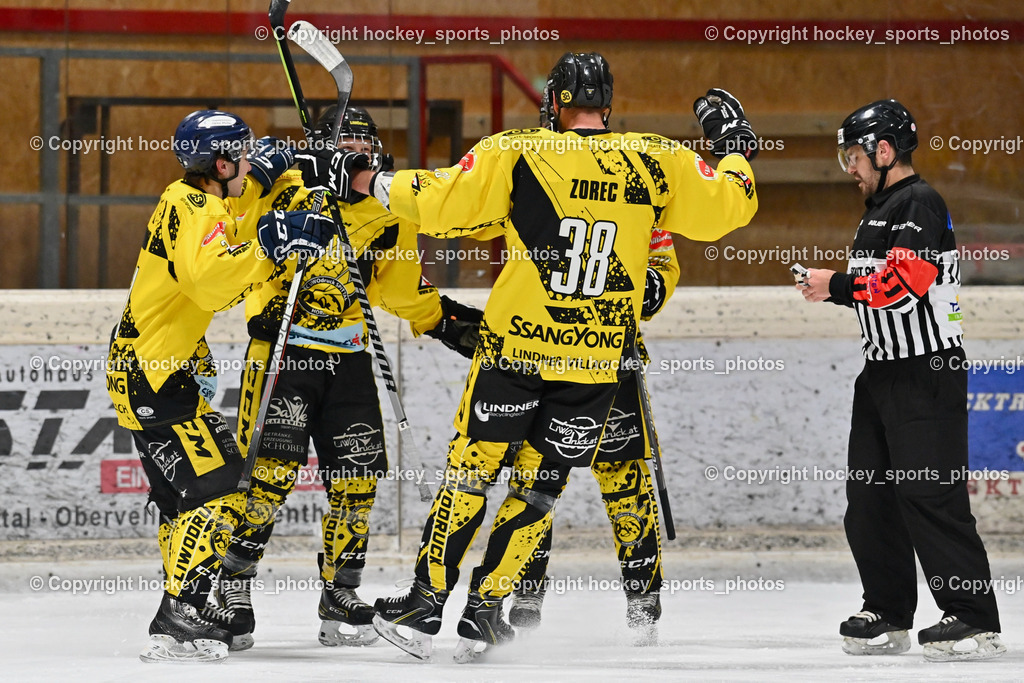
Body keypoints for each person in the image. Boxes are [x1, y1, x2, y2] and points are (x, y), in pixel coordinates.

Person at [301, 51, 758, 662]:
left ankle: (426, 601)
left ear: (557, 100)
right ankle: (488, 609)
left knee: (472, 472)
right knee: (540, 489)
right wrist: (733, 147)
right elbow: (733, 204)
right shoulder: (656, 158)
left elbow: (439, 201)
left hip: (517, 351)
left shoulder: (518, 151)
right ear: (607, 103)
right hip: (595, 363)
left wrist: (362, 180)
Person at [204, 106, 482, 651]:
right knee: (264, 481)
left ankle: (340, 594)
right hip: (284, 354)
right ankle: (230, 586)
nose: (361, 157)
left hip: (349, 357)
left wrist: (446, 322)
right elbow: (231, 206)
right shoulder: (284, 184)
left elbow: (401, 287)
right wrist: (277, 165)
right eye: (347, 148)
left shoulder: (386, 210)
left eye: (367, 149)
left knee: (356, 485)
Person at [105, 109, 334, 662]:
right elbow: (210, 282)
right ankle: (181, 609)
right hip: (154, 375)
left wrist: (270, 204)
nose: (251, 158)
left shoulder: (196, 199)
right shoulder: (190, 203)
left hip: (153, 371)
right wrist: (274, 244)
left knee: (183, 502)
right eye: (243, 153)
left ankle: (185, 607)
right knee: (224, 488)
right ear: (221, 161)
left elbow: (227, 240)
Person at [798, 99, 1005, 662]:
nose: (851, 170)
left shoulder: (920, 201)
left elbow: (906, 284)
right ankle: (888, 613)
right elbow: (880, 294)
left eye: (855, 158)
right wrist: (836, 289)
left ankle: (974, 618)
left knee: (930, 495)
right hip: (882, 373)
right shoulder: (880, 209)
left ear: (885, 151)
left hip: (926, 372)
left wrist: (834, 286)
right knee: (869, 499)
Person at [507, 226, 679, 646]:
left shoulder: (637, 190)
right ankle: (526, 589)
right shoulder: (537, 182)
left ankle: (642, 597)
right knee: (535, 485)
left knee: (625, 484)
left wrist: (632, 288)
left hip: (613, 358)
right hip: (547, 355)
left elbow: (661, 272)